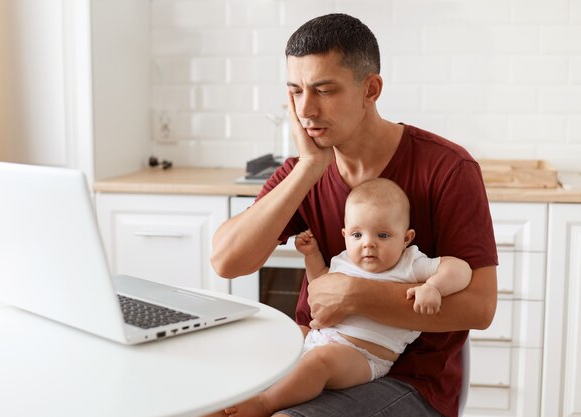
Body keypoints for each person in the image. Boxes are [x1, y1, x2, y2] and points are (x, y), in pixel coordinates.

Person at [211, 13, 498, 417]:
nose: (306, 109)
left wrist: (354, 296)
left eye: (324, 90)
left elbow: (480, 308)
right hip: (309, 351)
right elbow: (227, 261)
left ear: (371, 89)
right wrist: (308, 169)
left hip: (410, 379)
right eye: (295, 91)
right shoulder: (301, 171)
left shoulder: (447, 168)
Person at [221, 178, 472, 417]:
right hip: (319, 339)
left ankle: (266, 403)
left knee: (322, 361)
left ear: (406, 238)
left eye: (382, 235)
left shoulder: (410, 264)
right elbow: (320, 286)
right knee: (286, 334)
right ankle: (244, 386)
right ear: (345, 235)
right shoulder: (344, 260)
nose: (368, 244)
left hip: (363, 357)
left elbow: (461, 269)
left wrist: (435, 287)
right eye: (357, 235)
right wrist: (311, 256)